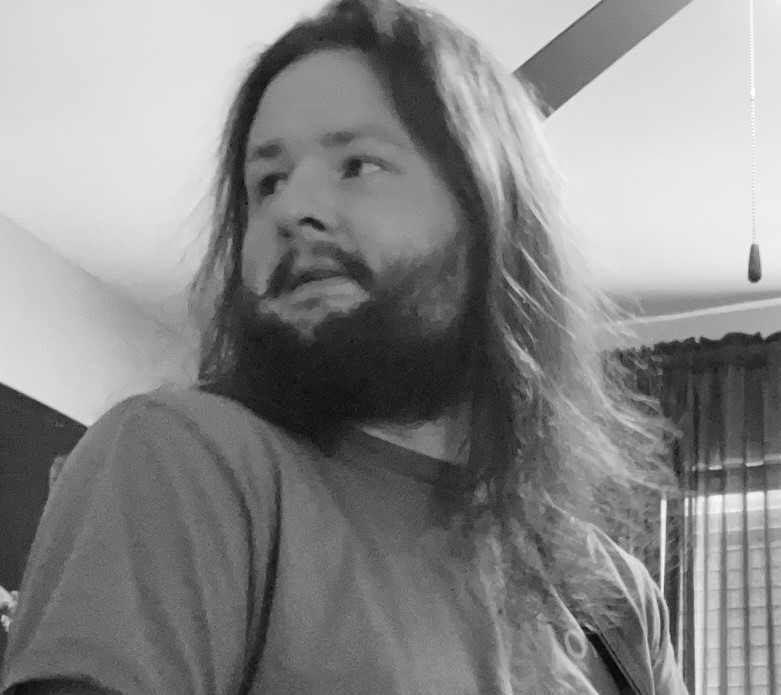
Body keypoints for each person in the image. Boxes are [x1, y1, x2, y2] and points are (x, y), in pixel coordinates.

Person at [0, 0, 689, 693]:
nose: (292, 210)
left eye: (357, 164)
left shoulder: (617, 598)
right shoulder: (182, 458)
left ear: (491, 216)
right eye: (267, 182)